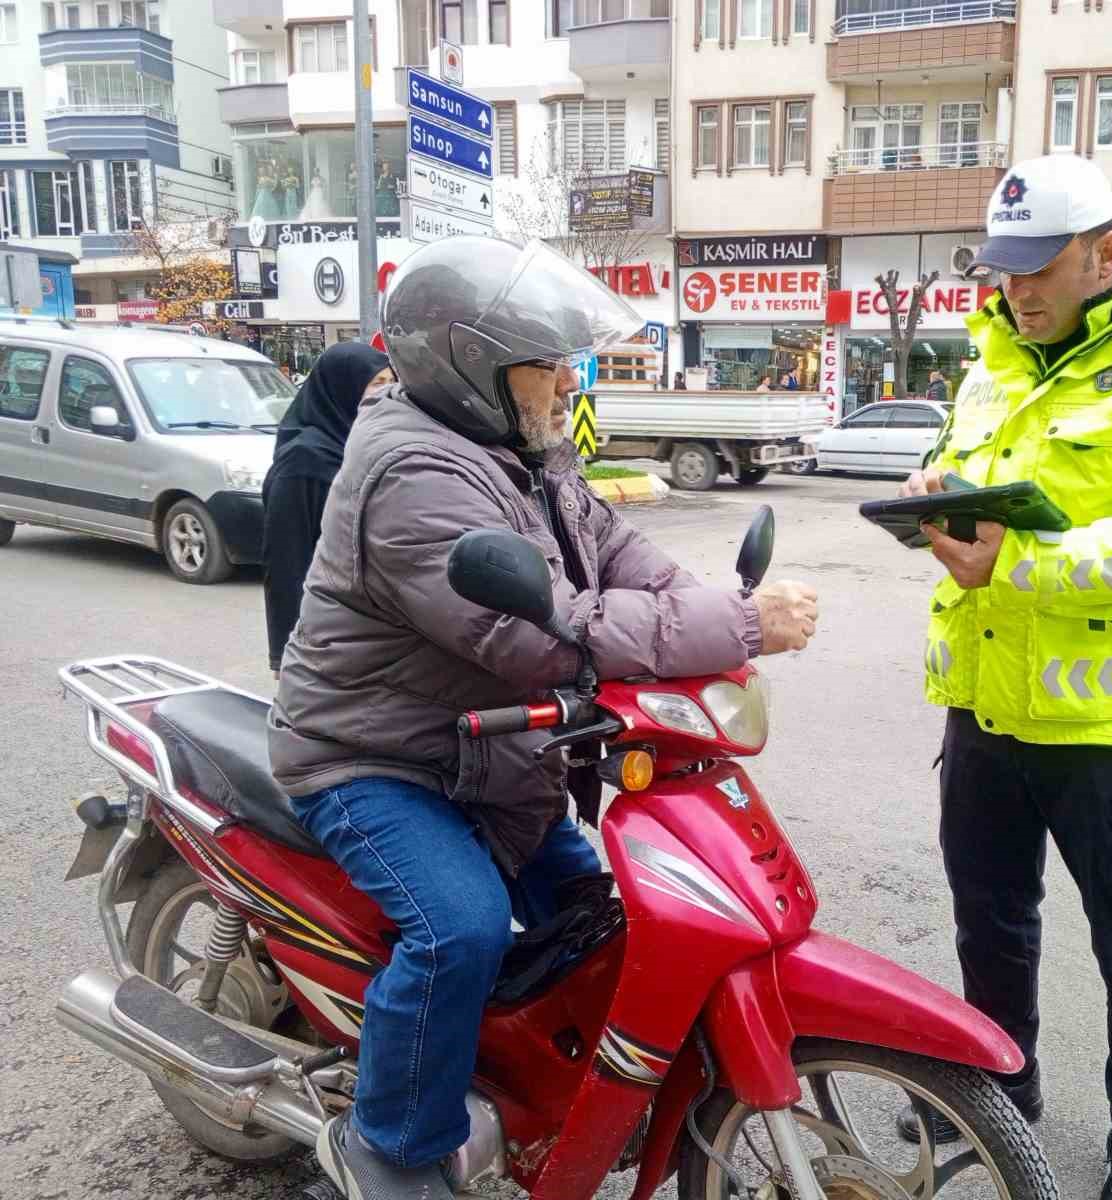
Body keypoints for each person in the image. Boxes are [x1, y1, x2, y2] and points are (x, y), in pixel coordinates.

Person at [269, 237, 819, 1200]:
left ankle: (522, 1082)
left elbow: (615, 550)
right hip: (375, 760)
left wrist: (703, 615)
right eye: (548, 362)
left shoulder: (521, 445)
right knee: (463, 927)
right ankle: (392, 1146)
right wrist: (737, 621)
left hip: (481, 750)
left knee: (601, 916)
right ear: (473, 363)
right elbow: (548, 635)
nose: (570, 380)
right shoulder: (414, 478)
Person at [894, 155, 1112, 1200]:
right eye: (1002, 270)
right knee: (989, 925)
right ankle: (1003, 1096)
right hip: (984, 708)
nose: (1018, 291)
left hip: (1111, 726)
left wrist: (1018, 558)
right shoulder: (990, 356)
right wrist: (936, 504)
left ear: (1105, 252)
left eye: (1038, 268)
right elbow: (977, 490)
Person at [261, 342, 391, 675]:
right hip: (322, 640)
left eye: (392, 383)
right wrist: (285, 654)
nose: (388, 394)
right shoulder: (304, 461)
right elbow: (287, 561)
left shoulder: (359, 446)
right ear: (341, 388)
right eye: (377, 384)